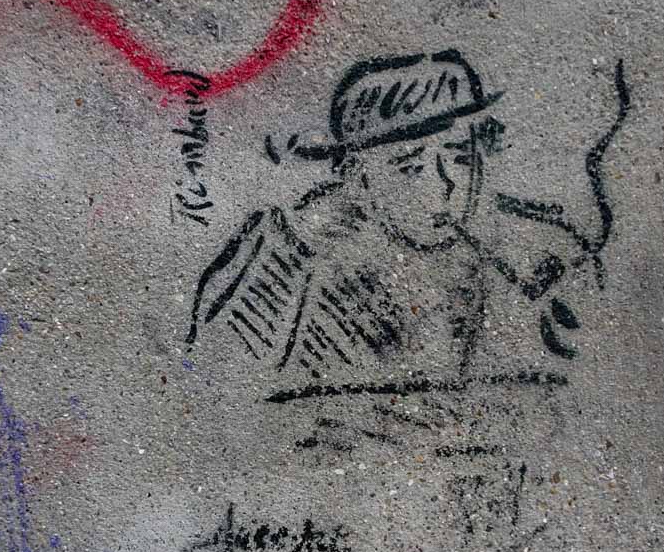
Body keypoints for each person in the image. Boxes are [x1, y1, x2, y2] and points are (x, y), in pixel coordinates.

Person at [185, 49, 628, 399]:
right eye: (411, 166)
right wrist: (292, 252)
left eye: (459, 156)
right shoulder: (293, 251)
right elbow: (217, 382)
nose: (446, 183)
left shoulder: (536, 251)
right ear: (358, 179)